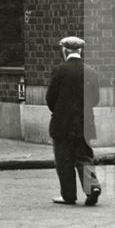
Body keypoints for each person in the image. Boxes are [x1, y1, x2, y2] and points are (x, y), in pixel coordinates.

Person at [46, 36, 102, 206]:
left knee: (63, 160)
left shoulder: (59, 70)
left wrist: (60, 110)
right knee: (84, 157)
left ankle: (68, 195)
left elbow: (50, 98)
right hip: (84, 123)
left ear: (64, 51)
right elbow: (96, 99)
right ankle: (92, 187)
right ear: (81, 51)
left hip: (62, 123)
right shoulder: (91, 71)